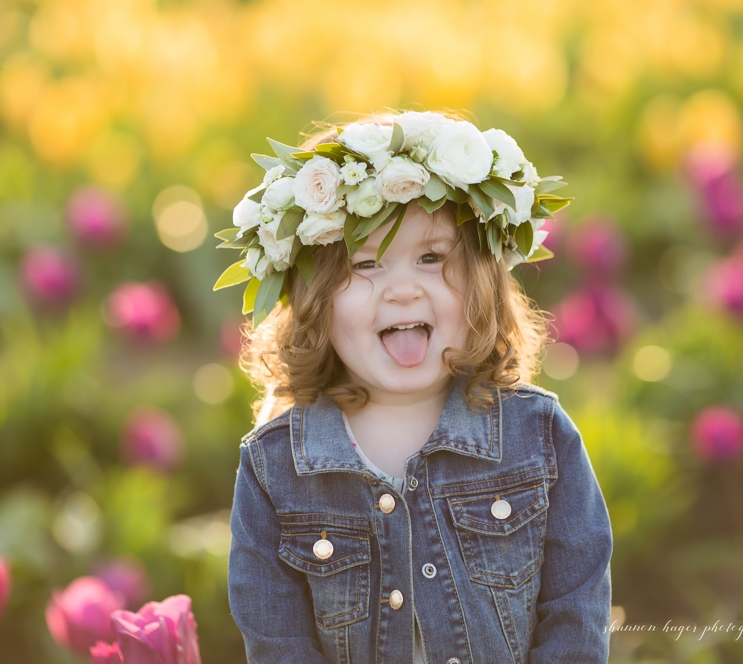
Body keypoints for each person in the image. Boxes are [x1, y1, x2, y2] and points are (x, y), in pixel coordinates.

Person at [223, 110, 610, 663]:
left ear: (480, 281)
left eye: (431, 258)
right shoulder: (276, 468)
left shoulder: (539, 438)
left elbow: (576, 618)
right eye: (365, 265)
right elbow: (278, 643)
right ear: (315, 301)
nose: (402, 289)